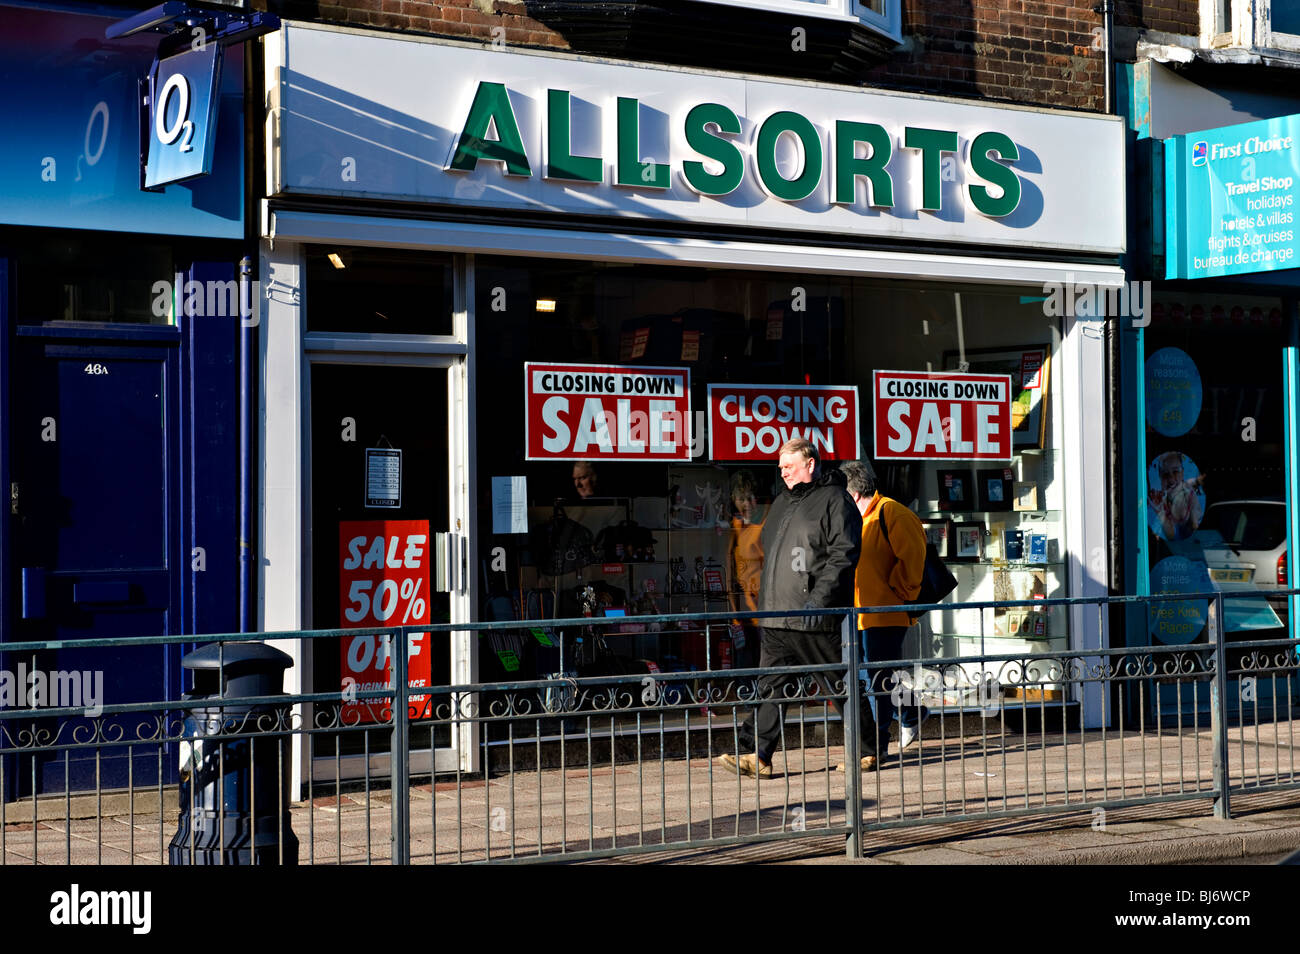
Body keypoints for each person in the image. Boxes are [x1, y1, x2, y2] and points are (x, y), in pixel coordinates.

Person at [716, 438, 875, 778]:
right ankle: (757, 755)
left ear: (811, 464)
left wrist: (817, 600)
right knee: (770, 686)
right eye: (781, 467)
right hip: (776, 614)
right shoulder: (783, 502)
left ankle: (867, 749)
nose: (782, 472)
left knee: (839, 683)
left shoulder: (836, 500)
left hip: (815, 616)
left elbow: (843, 555)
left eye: (789, 465)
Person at [842, 460, 929, 761]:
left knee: (878, 679)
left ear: (852, 493)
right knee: (878, 676)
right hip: (861, 613)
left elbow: (914, 560)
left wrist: (897, 593)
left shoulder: (891, 512)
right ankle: (912, 711)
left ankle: (877, 746)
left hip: (885, 613)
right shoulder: (860, 518)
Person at [727, 469, 765, 669]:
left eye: (751, 498)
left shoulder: (764, 524)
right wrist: (734, 612)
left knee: (763, 660)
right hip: (743, 609)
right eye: (742, 498)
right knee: (745, 661)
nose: (747, 503)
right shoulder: (734, 526)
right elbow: (729, 571)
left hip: (764, 608)